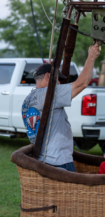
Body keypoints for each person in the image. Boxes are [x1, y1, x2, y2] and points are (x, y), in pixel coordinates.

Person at [22, 44, 100, 172]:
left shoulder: (27, 100)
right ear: (48, 76)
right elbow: (82, 83)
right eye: (57, 79)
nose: (58, 83)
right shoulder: (49, 93)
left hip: (43, 160)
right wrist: (91, 57)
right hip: (58, 162)